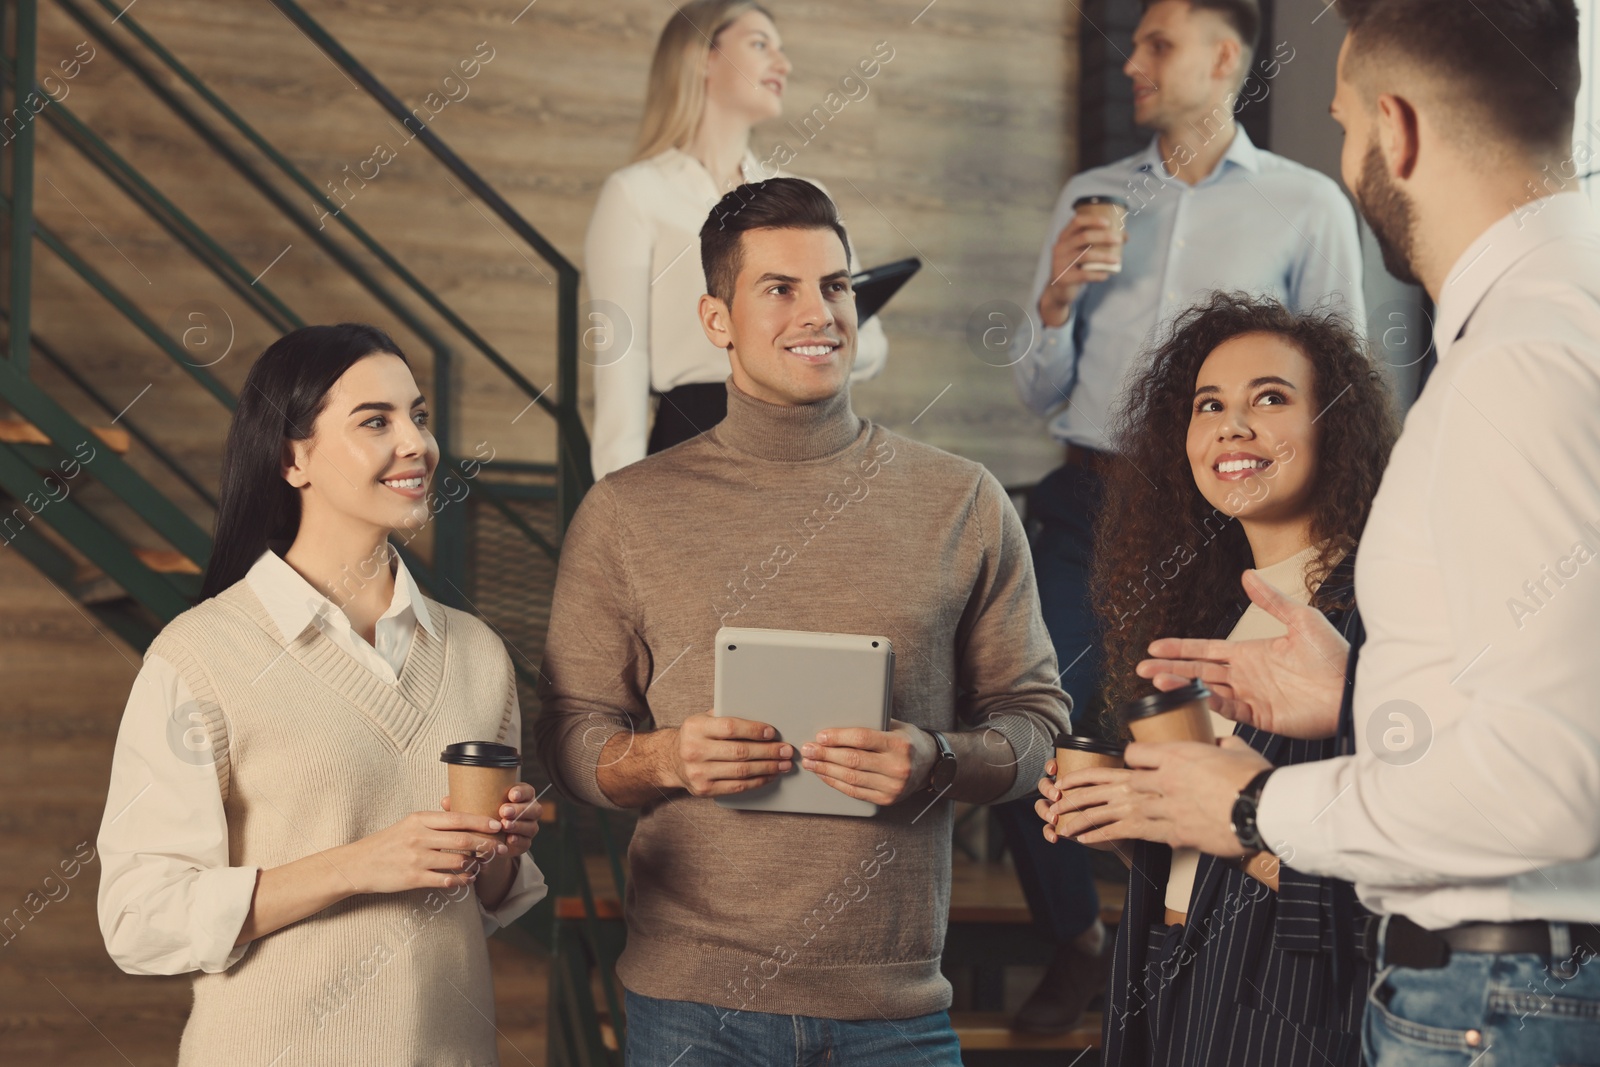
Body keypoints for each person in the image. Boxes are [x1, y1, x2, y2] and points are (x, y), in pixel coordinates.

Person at [1080, 3, 1600, 1063]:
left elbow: (1549, 781)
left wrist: (1256, 805)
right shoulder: (1558, 319)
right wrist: (1358, 695)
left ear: (1396, 130)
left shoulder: (1518, 362)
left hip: (1493, 995)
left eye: (1343, 123)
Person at [535, 177, 1071, 1066]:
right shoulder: (627, 512)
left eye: (836, 285)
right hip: (692, 1006)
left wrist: (936, 760)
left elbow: (1039, 727)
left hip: (896, 1007)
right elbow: (567, 739)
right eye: (778, 288)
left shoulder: (963, 501)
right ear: (718, 320)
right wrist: (664, 757)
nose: (817, 312)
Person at [1001, 0, 1366, 1031]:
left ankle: (1196, 961)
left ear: (1224, 56)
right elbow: (1038, 386)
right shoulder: (1092, 196)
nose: (1134, 68)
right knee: (1045, 709)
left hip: (1230, 516)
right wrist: (1055, 302)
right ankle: (1079, 938)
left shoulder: (1305, 205)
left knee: (1176, 722)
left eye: (1158, 45)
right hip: (1089, 491)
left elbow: (1336, 384)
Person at [96, 325, 548, 1064]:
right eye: (376, 421)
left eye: (420, 416)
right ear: (291, 457)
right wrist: (360, 863)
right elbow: (141, 918)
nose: (417, 444)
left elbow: (481, 901)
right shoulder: (201, 655)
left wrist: (497, 849)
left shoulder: (477, 654)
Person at [1038, 293, 1397, 1065]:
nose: (1233, 425)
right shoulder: (1214, 614)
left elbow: (1383, 897)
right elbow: (1208, 854)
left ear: (1335, 422)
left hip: (1289, 1011)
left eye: (1270, 397)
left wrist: (1236, 821)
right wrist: (1133, 821)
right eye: (1210, 405)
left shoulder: (1375, 615)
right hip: (1174, 986)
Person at [584, 0, 887, 479]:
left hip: (809, 432)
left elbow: (871, 346)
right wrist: (613, 501)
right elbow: (621, 360)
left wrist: (820, 339)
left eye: (782, 49)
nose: (783, 64)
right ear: (703, 56)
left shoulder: (807, 201)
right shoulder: (636, 195)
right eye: (760, 44)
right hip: (694, 431)